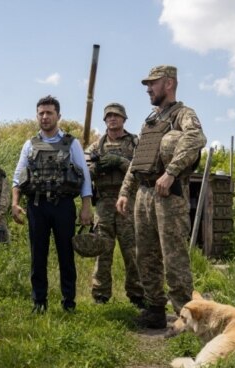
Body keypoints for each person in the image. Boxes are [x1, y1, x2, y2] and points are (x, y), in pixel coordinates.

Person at [116, 65, 206, 329]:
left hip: (169, 194)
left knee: (174, 255)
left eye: (152, 84)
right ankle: (155, 308)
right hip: (143, 194)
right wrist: (125, 192)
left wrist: (171, 172)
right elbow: (138, 158)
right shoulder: (150, 120)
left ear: (168, 83)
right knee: (145, 254)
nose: (148, 89)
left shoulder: (183, 114)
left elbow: (196, 138)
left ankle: (184, 316)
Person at [12, 95, 93, 313]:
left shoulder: (71, 143)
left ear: (58, 115)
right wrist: (15, 203)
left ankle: (69, 303)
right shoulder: (29, 144)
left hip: (63, 206)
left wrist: (86, 207)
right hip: (37, 206)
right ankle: (39, 302)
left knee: (66, 255)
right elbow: (18, 177)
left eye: (49, 113)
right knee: (38, 256)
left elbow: (84, 176)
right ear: (37, 116)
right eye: (41, 113)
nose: (45, 117)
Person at [85, 103, 144, 308]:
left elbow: (142, 168)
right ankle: (100, 294)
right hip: (103, 202)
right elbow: (84, 172)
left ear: (124, 119)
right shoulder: (95, 147)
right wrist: (98, 167)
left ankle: (138, 295)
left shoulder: (135, 143)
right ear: (104, 120)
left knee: (133, 251)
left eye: (116, 115)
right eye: (109, 116)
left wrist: (120, 162)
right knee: (103, 250)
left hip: (128, 200)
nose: (112, 119)